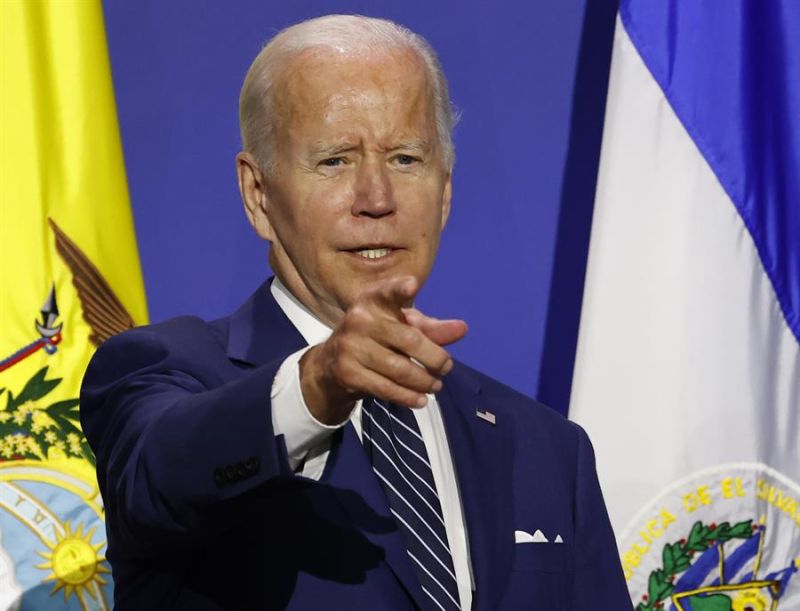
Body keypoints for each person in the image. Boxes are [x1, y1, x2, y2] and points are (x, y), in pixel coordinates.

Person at [81, 14, 632, 611]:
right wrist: (320, 380)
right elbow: (160, 474)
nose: (377, 200)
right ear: (258, 195)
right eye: (335, 160)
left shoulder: (547, 449)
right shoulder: (162, 371)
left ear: (444, 192)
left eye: (405, 159)